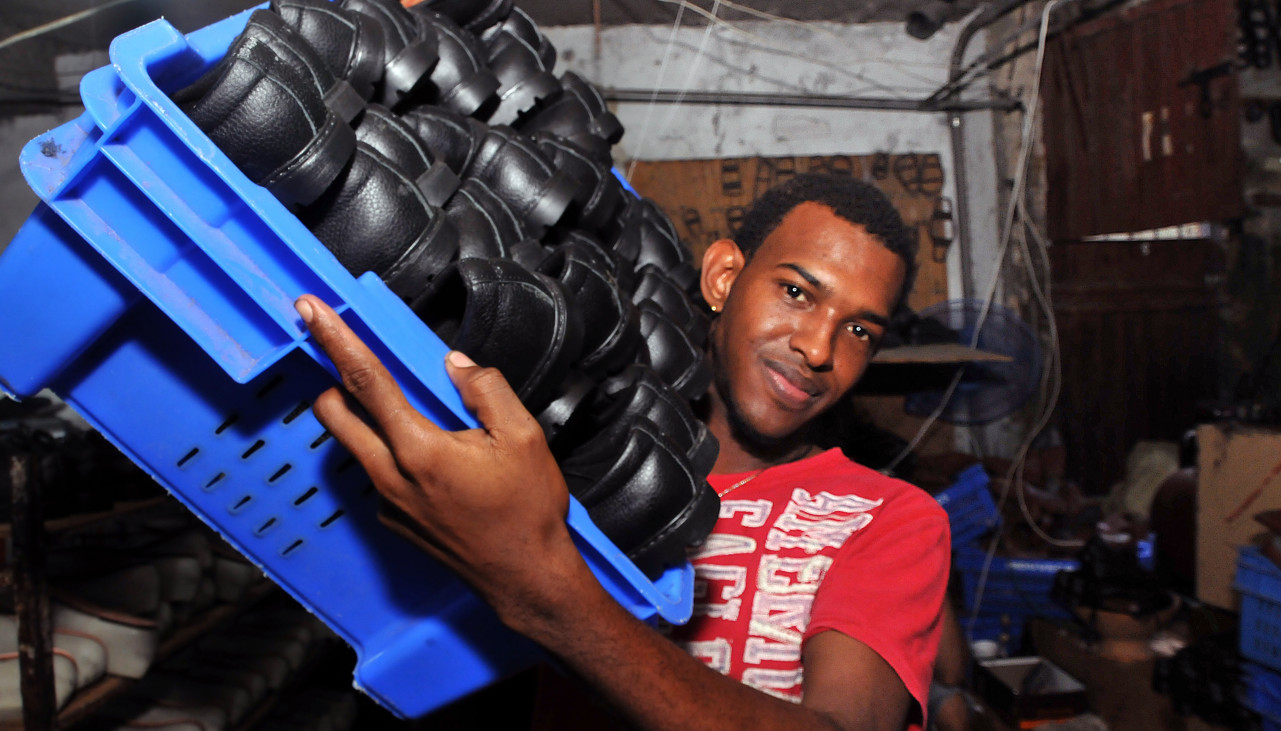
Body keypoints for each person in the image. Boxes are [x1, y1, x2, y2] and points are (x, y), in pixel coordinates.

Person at [292, 173, 951, 731]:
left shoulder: (889, 519)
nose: (818, 348)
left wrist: (541, 584)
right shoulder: (572, 450)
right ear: (724, 277)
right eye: (797, 293)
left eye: (859, 330)